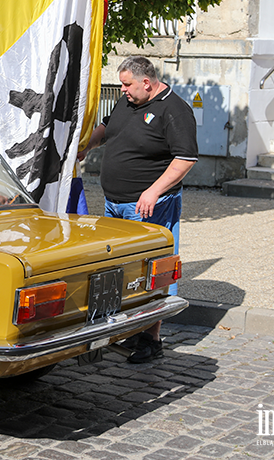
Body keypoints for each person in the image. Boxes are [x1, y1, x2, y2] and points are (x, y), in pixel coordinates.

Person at [79, 56, 198, 362]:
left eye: (127, 84)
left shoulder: (175, 110)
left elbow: (185, 159)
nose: (122, 90)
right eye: (121, 84)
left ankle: (150, 339)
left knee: (152, 271)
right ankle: (124, 329)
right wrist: (87, 145)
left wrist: (154, 191)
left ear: (147, 82)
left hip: (148, 206)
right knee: (121, 271)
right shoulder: (128, 102)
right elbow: (108, 127)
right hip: (114, 204)